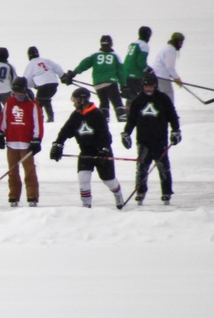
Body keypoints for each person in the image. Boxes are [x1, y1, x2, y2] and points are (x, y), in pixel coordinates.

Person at [50, 87, 125, 208]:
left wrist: (104, 150)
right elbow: (65, 131)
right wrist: (58, 144)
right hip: (86, 151)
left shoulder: (97, 114)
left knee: (108, 180)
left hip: (101, 151)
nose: (73, 101)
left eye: (74, 99)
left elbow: (105, 135)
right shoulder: (76, 115)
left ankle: (118, 194)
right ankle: (86, 205)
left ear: (82, 100)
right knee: (83, 177)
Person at [121, 72, 181, 206]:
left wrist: (176, 130)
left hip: (160, 140)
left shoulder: (163, 99)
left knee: (163, 167)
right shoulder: (138, 100)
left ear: (155, 86)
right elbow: (131, 120)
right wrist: (126, 133)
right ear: (143, 86)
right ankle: (140, 191)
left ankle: (166, 192)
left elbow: (172, 116)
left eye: (151, 86)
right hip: (143, 141)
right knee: (142, 167)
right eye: (146, 86)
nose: (148, 88)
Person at [0, 77, 43, 207]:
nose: (18, 96)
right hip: (12, 143)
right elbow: (3, 120)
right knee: (12, 172)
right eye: (16, 93)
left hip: (26, 144)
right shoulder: (9, 102)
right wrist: (0, 133)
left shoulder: (33, 104)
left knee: (29, 171)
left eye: (20, 93)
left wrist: (36, 139)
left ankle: (32, 196)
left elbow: (38, 124)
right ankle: (13, 196)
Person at [61, 35, 127, 122]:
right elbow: (121, 72)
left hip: (98, 83)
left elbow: (84, 64)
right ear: (111, 44)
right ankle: (122, 118)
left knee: (103, 102)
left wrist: (73, 73)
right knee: (116, 101)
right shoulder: (115, 56)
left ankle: (104, 119)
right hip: (111, 82)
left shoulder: (95, 55)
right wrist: (124, 86)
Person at [21, 46, 64, 123]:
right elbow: (58, 69)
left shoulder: (31, 64)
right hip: (54, 84)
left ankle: (39, 120)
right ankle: (50, 118)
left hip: (43, 86)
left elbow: (26, 81)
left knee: (38, 103)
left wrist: (34, 85)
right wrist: (62, 76)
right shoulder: (46, 61)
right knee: (45, 99)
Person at [121, 26, 152, 109]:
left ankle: (128, 112)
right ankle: (144, 111)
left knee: (131, 95)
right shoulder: (144, 45)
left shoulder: (133, 44)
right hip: (136, 74)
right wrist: (147, 69)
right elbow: (140, 62)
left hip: (127, 73)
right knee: (142, 94)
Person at [150, 32, 185, 103]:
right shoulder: (170, 50)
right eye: (181, 42)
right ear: (176, 42)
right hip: (162, 76)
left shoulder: (167, 48)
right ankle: (169, 112)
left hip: (157, 75)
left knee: (160, 95)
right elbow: (170, 67)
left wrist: (172, 76)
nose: (182, 45)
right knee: (168, 94)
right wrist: (177, 78)